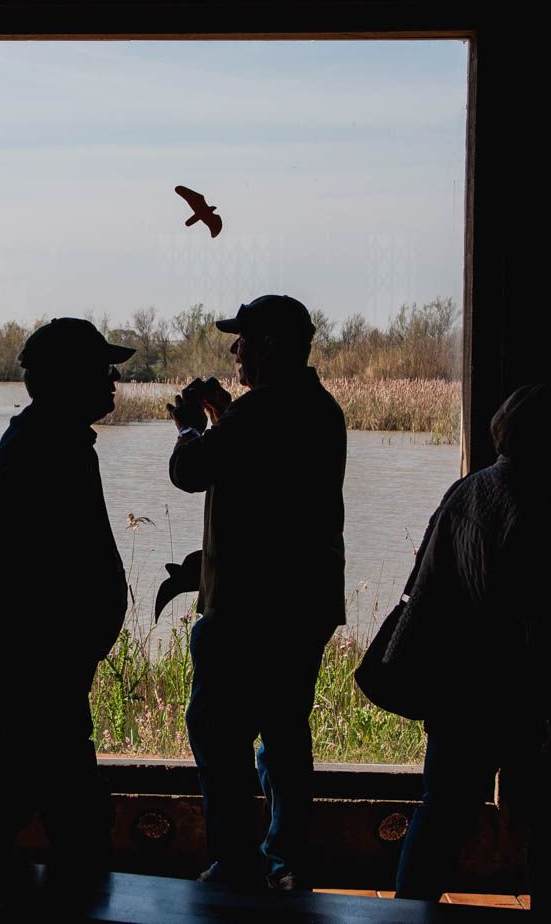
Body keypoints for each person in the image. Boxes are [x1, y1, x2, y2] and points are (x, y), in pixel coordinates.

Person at [393, 384, 551, 916]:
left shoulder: (468, 490)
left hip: (456, 691)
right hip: (518, 698)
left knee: (440, 813)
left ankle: (402, 911)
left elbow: (425, 586)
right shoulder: (542, 513)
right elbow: (550, 628)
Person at [166, 294, 346, 891]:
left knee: (219, 736)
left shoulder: (263, 411)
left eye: (242, 338)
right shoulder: (320, 409)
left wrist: (192, 425)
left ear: (269, 345)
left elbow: (191, 470)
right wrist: (226, 416)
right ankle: (285, 860)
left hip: (246, 612)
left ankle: (235, 864)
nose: (233, 348)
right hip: (303, 606)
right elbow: (265, 492)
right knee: (285, 736)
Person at [0, 317, 133, 868]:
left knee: (5, 803)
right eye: (102, 370)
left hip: (35, 664)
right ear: (70, 378)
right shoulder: (53, 447)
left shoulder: (44, 439)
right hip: (41, 667)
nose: (113, 380)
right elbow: (25, 566)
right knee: (74, 814)